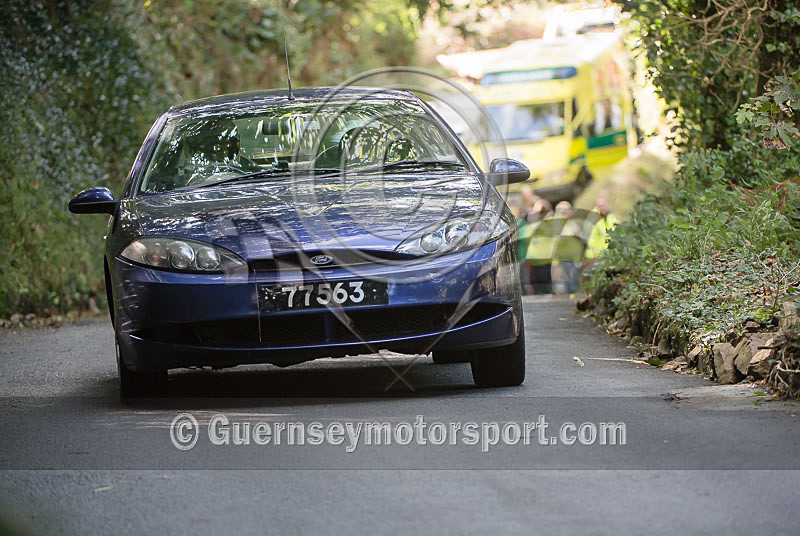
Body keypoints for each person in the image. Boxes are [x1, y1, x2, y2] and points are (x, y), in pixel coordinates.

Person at [550, 200, 584, 294]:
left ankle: (572, 301)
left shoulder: (571, 222)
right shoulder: (556, 222)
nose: (566, 212)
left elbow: (582, 236)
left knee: (573, 285)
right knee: (564, 286)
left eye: (568, 210)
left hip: (574, 258)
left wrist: (578, 234)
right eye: (564, 210)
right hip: (562, 260)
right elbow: (556, 240)